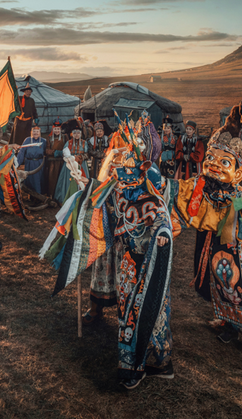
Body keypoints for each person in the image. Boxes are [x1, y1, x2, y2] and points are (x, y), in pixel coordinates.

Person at [41, 145, 174, 390]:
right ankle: (133, 366)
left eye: (128, 176)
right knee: (130, 316)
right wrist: (85, 194)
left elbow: (163, 221)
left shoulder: (152, 201)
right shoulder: (119, 194)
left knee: (153, 314)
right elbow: (98, 198)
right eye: (120, 176)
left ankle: (155, 364)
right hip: (128, 266)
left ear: (142, 174)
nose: (122, 182)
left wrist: (162, 235)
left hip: (148, 266)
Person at [171, 131, 242, 357]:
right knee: (221, 287)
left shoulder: (241, 198)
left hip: (238, 255)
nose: (214, 165)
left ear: (239, 172)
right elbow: (178, 197)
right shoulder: (200, 187)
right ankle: (228, 324)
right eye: (210, 159)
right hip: (212, 249)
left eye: (224, 162)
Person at [53, 122, 89, 203]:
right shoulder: (68, 142)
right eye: (75, 133)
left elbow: (87, 154)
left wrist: (80, 157)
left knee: (81, 179)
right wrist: (69, 158)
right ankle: (67, 197)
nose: (76, 135)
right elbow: (64, 153)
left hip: (81, 164)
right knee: (69, 180)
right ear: (72, 134)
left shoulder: (84, 143)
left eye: (78, 133)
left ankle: (81, 198)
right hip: (70, 165)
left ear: (80, 134)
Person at [15, 125, 46, 194]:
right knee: (30, 180)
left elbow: (46, 152)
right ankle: (31, 195)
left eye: (37, 132)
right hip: (29, 163)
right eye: (34, 131)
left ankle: (39, 195)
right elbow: (22, 152)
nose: (35, 133)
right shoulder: (27, 140)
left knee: (38, 180)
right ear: (31, 132)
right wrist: (16, 164)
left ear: (40, 132)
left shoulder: (43, 141)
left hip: (39, 164)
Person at [44, 118, 67, 199]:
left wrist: (64, 153)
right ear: (53, 129)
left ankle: (61, 197)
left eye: (58, 129)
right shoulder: (49, 138)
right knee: (52, 180)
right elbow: (46, 150)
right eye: (55, 129)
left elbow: (68, 147)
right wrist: (55, 152)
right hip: (52, 163)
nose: (57, 131)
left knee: (61, 180)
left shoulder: (65, 137)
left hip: (62, 162)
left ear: (60, 130)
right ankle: (51, 196)